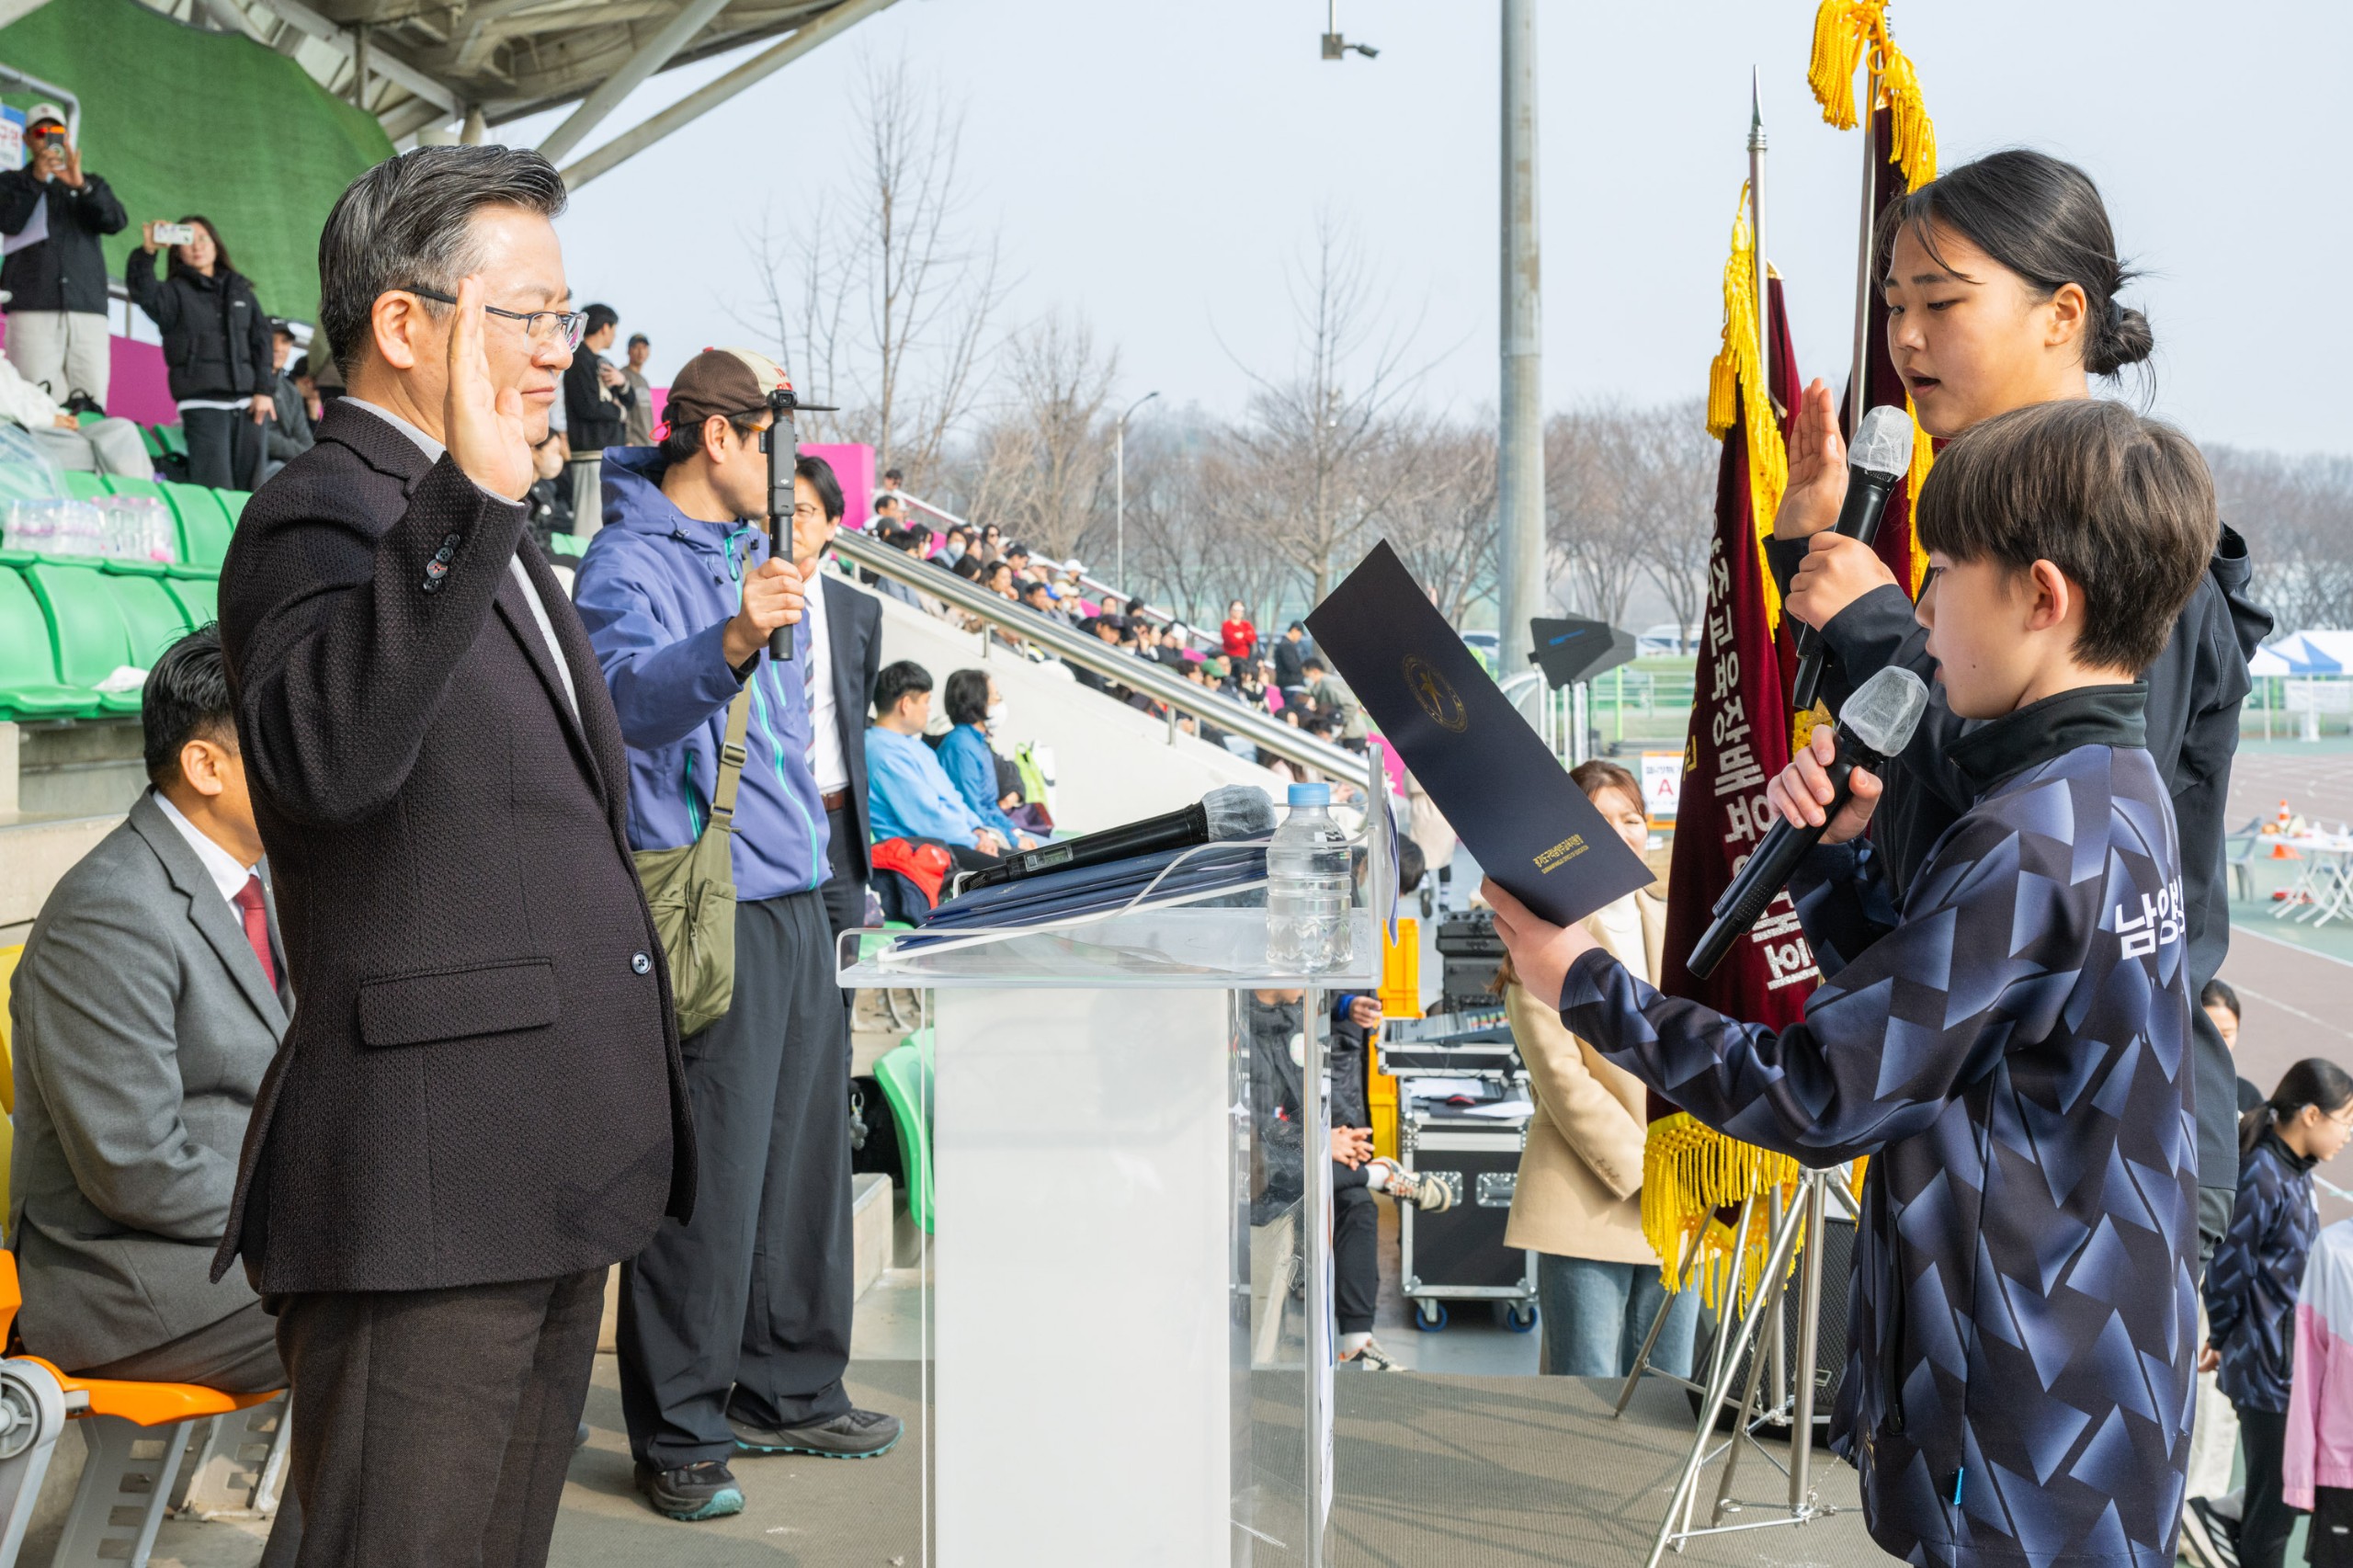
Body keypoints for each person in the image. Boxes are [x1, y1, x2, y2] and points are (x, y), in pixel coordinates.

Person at [1484, 399, 2218, 1565]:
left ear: (2040, 596)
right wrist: (1834, 867)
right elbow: (1955, 1020)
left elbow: (1826, 1093)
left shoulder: (2027, 834)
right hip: (2097, 1381)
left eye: (1943, 579)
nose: (1919, 615)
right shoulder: (2118, 792)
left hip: (2016, 1407)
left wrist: (1584, 982)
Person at [212, 144, 694, 1568]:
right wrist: (467, 508)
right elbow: (323, 761)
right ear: (407, 324)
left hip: (530, 1162)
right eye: (528, 316)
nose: (563, 354)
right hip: (425, 1183)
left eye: (565, 315)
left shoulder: (479, 515)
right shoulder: (330, 507)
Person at [1771, 150, 2271, 1281]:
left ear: (2062, 314)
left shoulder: (2137, 552)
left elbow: (2062, 819)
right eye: (1894, 305)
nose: (1904, 340)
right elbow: (1933, 822)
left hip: (2091, 1155)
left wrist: (1874, 629)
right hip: (1970, 1120)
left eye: (1941, 303)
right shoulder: (1969, 531)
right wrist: (1813, 566)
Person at [575, 347, 901, 1524]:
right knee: (708, 1175)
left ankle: (789, 1382)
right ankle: (682, 1425)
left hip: (797, 892)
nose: (781, 461)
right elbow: (612, 707)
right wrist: (726, 639)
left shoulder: (750, 553)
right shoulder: (628, 558)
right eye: (768, 437)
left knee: (805, 1160)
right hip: (707, 901)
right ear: (718, 439)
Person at [6, 630, 299, 1566]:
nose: (309, 759)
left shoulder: (258, 885)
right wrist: (322, 1211)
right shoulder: (112, 909)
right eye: (279, 739)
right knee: (382, 1307)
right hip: (120, 1279)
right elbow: (135, 1168)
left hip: (222, 1256)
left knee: (424, 1279)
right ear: (204, 764)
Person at [1500, 760, 1696, 1380]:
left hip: (1682, 1200)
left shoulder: (1684, 927)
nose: (1621, 832)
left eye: (1631, 819)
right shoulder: (1541, 936)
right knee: (1582, 1399)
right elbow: (1562, 1079)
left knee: (1669, 1394)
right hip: (1591, 1195)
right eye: (1600, 819)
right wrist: (1650, 1171)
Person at [2196, 1060, 2353, 1568]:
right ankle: (2211, 1519)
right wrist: (2223, 1336)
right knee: (2276, 1510)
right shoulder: (2265, 1175)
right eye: (2345, 1119)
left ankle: (2215, 1518)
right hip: (2267, 1373)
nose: (2347, 1134)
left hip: (2284, 1370)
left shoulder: (2295, 1175)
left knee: (2280, 1500)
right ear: (2311, 1114)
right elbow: (2227, 1270)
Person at [1245, 986, 1450, 1372]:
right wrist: (1323, 1142)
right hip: (1259, 1170)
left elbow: (1317, 1092)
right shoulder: (1239, 1028)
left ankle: (1358, 1343)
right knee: (1349, 1184)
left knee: (1358, 1205)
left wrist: (1346, 1137)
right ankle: (1380, 1175)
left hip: (1306, 1156)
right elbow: (1253, 1131)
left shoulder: (1297, 1017)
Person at [2181, 978, 2264, 1565]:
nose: (2222, 1042)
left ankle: (2202, 1509)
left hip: (2230, 1275)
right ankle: (2182, 1508)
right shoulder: (2170, 1086)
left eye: (2229, 1033)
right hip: (2189, 1259)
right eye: (2214, 1031)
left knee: (2218, 1404)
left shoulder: (2248, 1098)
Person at [788, 452, 884, 945]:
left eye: (803, 511)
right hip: (770, 821)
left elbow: (855, 707)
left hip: (838, 824)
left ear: (832, 524)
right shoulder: (737, 599)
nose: (788, 521)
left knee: (841, 982)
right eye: (780, 507)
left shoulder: (860, 610)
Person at [126, 216, 273, 489]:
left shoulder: (240, 290)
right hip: (203, 406)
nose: (198, 246)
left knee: (252, 496)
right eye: (188, 240)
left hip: (250, 407)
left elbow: (261, 341)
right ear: (178, 251)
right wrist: (148, 251)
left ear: (216, 245)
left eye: (204, 238)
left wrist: (264, 390)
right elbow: (144, 293)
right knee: (214, 489)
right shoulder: (172, 293)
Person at [0, 106, 125, 410]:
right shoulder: (11, 182)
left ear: (67, 139)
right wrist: (38, 179)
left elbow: (115, 221)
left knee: (92, 402)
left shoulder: (89, 183)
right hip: (33, 305)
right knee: (32, 402)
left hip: (87, 310)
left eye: (55, 133)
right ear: (27, 139)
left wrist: (82, 186)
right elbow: (9, 222)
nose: (47, 140)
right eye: (40, 133)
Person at [865, 660, 1007, 865]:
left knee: (1028, 866)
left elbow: (953, 798)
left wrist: (978, 829)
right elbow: (926, 816)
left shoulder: (914, 746)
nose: (929, 709)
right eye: (926, 701)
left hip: (956, 840)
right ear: (906, 705)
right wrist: (973, 839)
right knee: (1022, 873)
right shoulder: (882, 753)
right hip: (925, 850)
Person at [0, 336, 148, 475]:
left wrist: (61, 416)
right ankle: (138, 496)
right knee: (108, 452)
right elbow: (9, 407)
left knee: (122, 429)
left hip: (44, 431)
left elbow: (32, 394)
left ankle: (141, 494)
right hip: (16, 439)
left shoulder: (4, 365)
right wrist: (52, 420)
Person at [936, 669, 1032, 850]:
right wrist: (1014, 841)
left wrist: (1015, 833)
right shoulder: (960, 746)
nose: (998, 702)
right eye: (995, 697)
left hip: (995, 828)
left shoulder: (978, 742)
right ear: (978, 702)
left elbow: (989, 806)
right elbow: (973, 809)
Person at [563, 301, 630, 534]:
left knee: (606, 523)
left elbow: (628, 402)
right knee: (588, 524)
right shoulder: (578, 360)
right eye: (614, 329)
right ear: (605, 328)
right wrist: (618, 411)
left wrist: (623, 383)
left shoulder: (605, 363)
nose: (614, 335)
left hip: (607, 453)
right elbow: (588, 407)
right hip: (589, 453)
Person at [261, 321, 314, 482]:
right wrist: (295, 448)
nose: (277, 347)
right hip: (258, 465)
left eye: (285, 341)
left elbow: (307, 444)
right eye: (271, 339)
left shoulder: (291, 392)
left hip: (288, 465)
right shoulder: (245, 383)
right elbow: (258, 436)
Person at [620, 332, 654, 445]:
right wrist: (627, 440)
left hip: (648, 442)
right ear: (628, 351)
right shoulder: (622, 376)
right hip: (633, 444)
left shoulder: (644, 381)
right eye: (636, 347)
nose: (640, 352)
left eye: (644, 347)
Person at [1272, 620, 1313, 700]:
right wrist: (1304, 669)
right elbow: (1292, 666)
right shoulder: (1286, 645)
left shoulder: (1286, 644)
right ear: (1294, 630)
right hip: (1290, 685)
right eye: (1300, 634)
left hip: (1289, 685)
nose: (1300, 637)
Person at [1221, 599, 1256, 663]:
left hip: (1246, 659)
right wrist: (1245, 637)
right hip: (1231, 659)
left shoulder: (1246, 624)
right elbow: (1232, 642)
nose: (1238, 611)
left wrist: (1242, 635)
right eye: (1236, 608)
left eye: (1241, 609)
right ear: (1230, 610)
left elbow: (1252, 637)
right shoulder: (1226, 625)